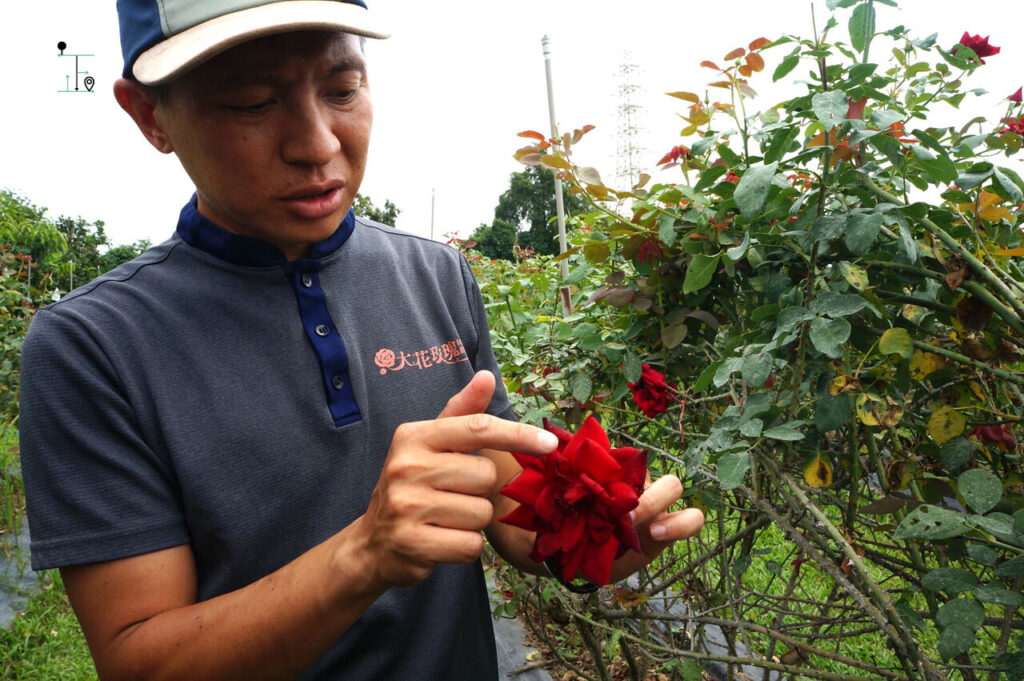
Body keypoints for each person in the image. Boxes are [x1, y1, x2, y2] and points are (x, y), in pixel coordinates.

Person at [18, 1, 705, 679]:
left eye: (343, 90)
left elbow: (507, 506)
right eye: (254, 101)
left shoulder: (435, 275)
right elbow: (140, 660)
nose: (318, 143)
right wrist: (361, 555)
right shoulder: (92, 346)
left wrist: (595, 536)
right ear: (149, 116)